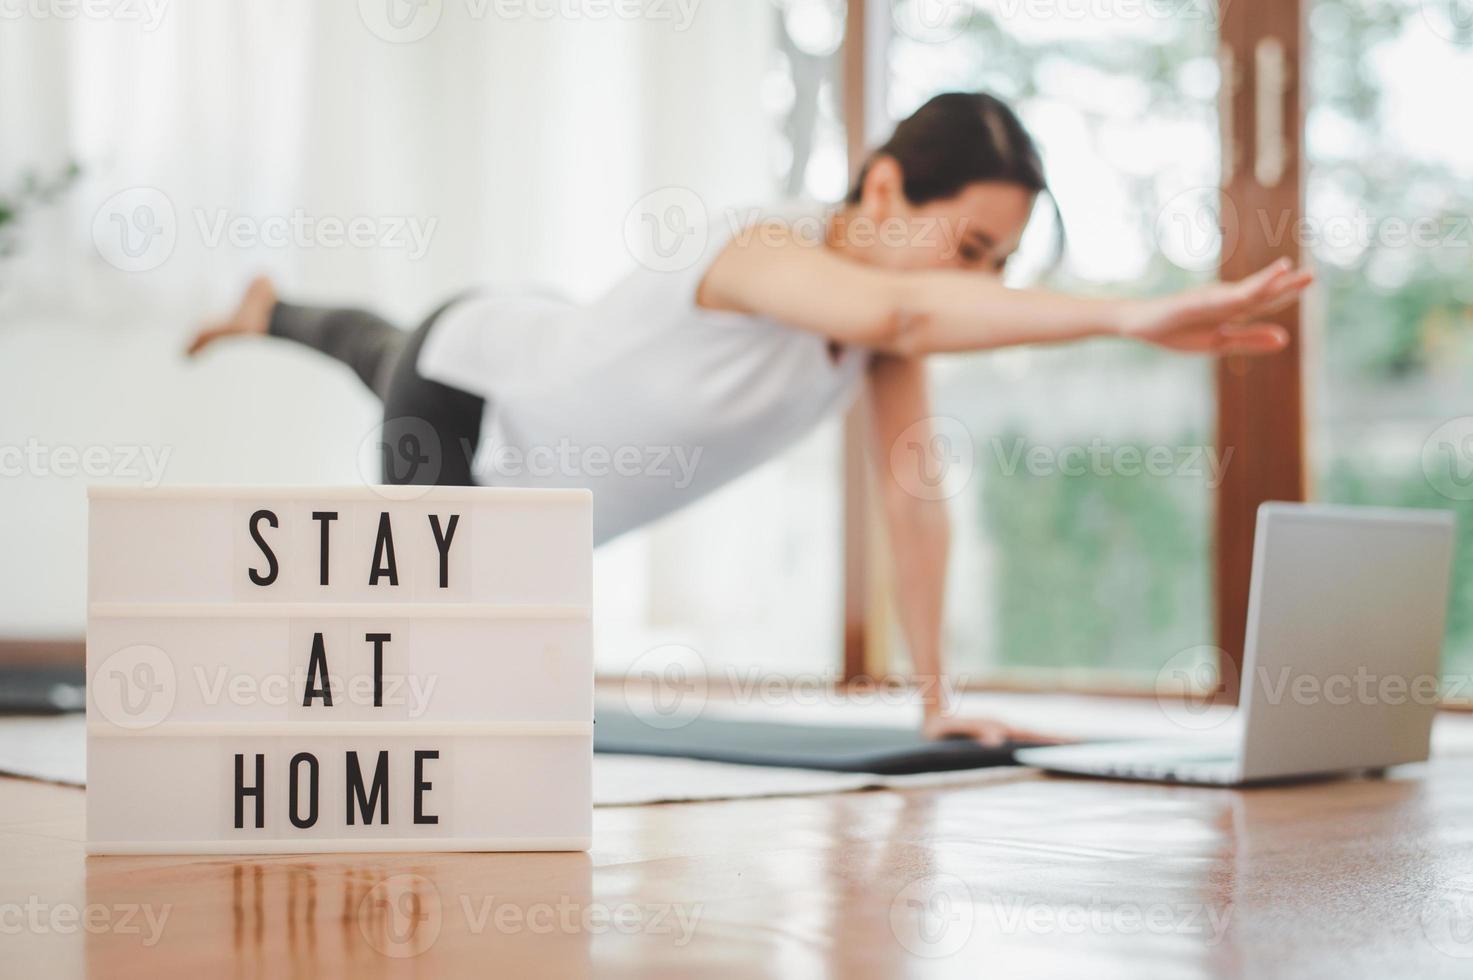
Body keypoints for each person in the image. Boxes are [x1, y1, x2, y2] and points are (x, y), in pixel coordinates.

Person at [187, 92, 1311, 745]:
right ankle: (272, 307)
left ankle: (266, 306)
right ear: (879, 191)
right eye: (974, 252)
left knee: (372, 350)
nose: (984, 285)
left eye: (1003, 267)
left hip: (544, 371)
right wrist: (1130, 313)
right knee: (386, 388)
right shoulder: (762, 246)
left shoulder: (886, 334)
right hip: (475, 392)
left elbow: (914, 493)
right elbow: (909, 301)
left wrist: (936, 700)